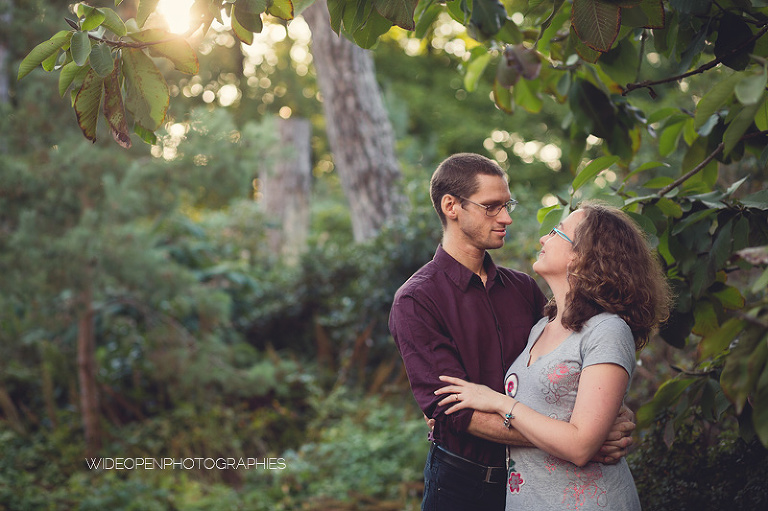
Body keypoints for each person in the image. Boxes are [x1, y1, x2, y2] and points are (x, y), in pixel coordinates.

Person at [389, 154, 635, 511]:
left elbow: (567, 370)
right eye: (491, 207)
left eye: (507, 205)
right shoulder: (416, 300)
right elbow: (455, 413)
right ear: (451, 206)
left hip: (534, 484)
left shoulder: (523, 288)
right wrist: (582, 441)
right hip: (462, 484)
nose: (506, 218)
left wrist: (610, 416)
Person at [435, 201, 672, 510]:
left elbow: (579, 446)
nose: (543, 239)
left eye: (557, 232)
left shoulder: (607, 330)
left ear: (585, 255)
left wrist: (497, 401)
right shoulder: (540, 328)